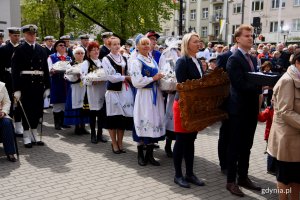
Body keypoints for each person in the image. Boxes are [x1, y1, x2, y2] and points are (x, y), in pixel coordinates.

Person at [226, 24, 262, 197]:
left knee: (247, 146)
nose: (250, 38)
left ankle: (243, 177)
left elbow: (253, 79)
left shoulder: (253, 59)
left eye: (251, 35)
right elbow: (239, 84)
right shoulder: (234, 59)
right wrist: (260, 86)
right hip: (238, 110)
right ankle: (231, 181)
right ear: (238, 39)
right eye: (247, 35)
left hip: (250, 109)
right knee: (235, 146)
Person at [173, 32, 205, 188]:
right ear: (187, 44)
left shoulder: (197, 61)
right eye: (195, 42)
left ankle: (190, 173)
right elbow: (182, 85)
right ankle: (178, 175)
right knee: (181, 141)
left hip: (195, 106)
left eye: (199, 41)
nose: (198, 44)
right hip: (183, 105)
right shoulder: (182, 61)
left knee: (191, 140)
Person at [267, 51, 300, 200]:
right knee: (285, 179)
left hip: (296, 139)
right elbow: (285, 111)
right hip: (287, 139)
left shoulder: (297, 77)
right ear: (298, 63)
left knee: (296, 178)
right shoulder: (287, 80)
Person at [11, 24, 51, 148]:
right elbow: (15, 71)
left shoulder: (41, 49)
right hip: (26, 85)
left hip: (39, 85)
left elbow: (45, 68)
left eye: (33, 34)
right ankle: (26, 135)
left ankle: (34, 131)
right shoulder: (19, 49)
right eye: (29, 34)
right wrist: (16, 89)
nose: (32, 36)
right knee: (26, 111)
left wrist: (48, 86)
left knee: (37, 111)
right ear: (25, 35)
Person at [130, 36, 165, 166]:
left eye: (148, 44)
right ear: (137, 47)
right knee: (144, 120)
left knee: (153, 121)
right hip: (144, 96)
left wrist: (162, 78)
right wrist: (153, 78)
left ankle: (150, 155)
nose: (146, 46)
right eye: (143, 44)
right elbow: (136, 82)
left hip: (155, 95)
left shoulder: (152, 60)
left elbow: (158, 74)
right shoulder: (136, 61)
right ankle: (140, 155)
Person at [102, 37, 134, 153]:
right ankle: (114, 143)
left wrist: (130, 76)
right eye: (114, 44)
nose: (116, 46)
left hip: (125, 91)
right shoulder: (106, 59)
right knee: (113, 119)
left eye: (118, 44)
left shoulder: (124, 57)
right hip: (113, 92)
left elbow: (129, 72)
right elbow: (111, 77)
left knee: (122, 119)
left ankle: (120, 143)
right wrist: (125, 77)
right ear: (109, 46)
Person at [216, 43, 238, 175]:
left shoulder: (250, 58)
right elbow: (217, 79)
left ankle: (233, 161)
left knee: (235, 136)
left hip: (240, 104)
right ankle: (223, 163)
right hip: (227, 102)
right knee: (225, 135)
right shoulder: (224, 56)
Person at [81, 41, 108, 144]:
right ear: (89, 52)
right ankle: (93, 135)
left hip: (102, 90)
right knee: (93, 114)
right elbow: (83, 78)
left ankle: (100, 134)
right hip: (92, 91)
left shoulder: (102, 62)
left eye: (97, 49)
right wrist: (93, 81)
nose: (96, 51)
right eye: (93, 50)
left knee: (101, 114)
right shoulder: (86, 63)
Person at [0, 27, 24, 136]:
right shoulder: (3, 49)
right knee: (8, 103)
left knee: (19, 103)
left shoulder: (22, 48)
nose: (17, 37)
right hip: (7, 80)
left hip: (19, 80)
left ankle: (18, 126)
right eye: (15, 35)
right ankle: (10, 126)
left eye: (18, 35)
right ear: (9, 35)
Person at [63, 46, 89, 135]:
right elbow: (67, 76)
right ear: (74, 55)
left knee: (84, 106)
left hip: (85, 88)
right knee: (76, 106)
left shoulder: (87, 63)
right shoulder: (70, 64)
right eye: (78, 53)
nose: (80, 55)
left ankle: (83, 126)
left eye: (82, 53)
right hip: (75, 88)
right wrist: (76, 76)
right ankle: (77, 127)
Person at [48, 40, 72, 130]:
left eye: (64, 45)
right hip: (57, 82)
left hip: (66, 83)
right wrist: (52, 71)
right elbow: (49, 69)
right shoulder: (51, 57)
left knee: (65, 103)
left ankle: (63, 122)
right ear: (56, 47)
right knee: (57, 103)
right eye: (60, 45)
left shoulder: (69, 58)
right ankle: (57, 123)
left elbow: (72, 69)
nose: (63, 46)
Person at [0, 81, 17, 162]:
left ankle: (10, 153)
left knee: (7, 123)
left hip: (1, 115)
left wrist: (3, 112)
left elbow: (7, 102)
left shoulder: (1, 85)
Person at [257, 101, 276, 175]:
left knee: (275, 152)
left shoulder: (280, 109)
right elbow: (262, 118)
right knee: (271, 152)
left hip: (277, 135)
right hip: (270, 135)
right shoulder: (269, 110)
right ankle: (270, 169)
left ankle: (274, 167)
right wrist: (257, 111)